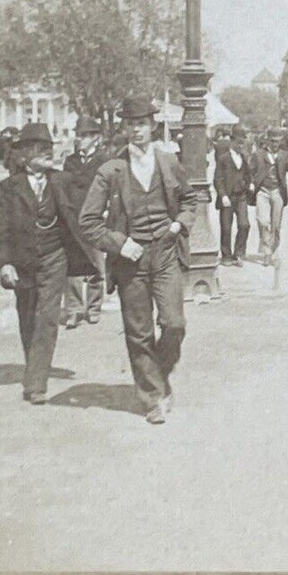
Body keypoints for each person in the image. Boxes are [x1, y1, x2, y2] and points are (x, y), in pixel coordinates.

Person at [79, 96, 199, 425]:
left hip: (165, 253)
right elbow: (88, 221)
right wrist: (119, 244)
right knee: (139, 332)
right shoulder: (111, 170)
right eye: (131, 125)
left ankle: (157, 375)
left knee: (174, 323)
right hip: (131, 261)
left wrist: (179, 223)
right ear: (124, 128)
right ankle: (152, 397)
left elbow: (191, 199)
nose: (137, 131)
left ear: (152, 126)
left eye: (142, 124)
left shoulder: (168, 161)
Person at [0, 123, 96, 404]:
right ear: (24, 154)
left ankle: (36, 384)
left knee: (47, 318)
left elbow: (88, 197)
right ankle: (35, 366)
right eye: (40, 148)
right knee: (28, 317)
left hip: (54, 257)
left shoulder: (62, 180)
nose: (48, 152)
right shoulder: (8, 188)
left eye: (49, 147)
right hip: (22, 262)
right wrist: (4, 264)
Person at [61, 116, 108, 327]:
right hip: (72, 218)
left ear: (95, 138)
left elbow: (109, 189)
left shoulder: (104, 160)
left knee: (96, 263)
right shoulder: (70, 161)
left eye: (84, 136)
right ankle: (73, 308)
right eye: (78, 135)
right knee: (71, 265)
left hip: (95, 218)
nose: (79, 139)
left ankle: (94, 307)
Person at [211, 127, 253, 267]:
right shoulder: (224, 158)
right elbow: (218, 179)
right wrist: (222, 195)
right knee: (226, 228)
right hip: (227, 197)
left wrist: (249, 184)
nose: (241, 146)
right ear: (232, 141)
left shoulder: (245, 157)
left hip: (241, 196)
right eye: (239, 143)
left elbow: (248, 174)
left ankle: (239, 253)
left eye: (243, 143)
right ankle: (226, 256)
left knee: (244, 225)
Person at [251, 127, 288, 263]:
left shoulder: (284, 154)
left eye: (278, 141)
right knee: (262, 221)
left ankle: (273, 251)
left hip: (277, 191)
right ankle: (266, 250)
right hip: (263, 191)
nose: (275, 144)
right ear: (268, 140)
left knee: (276, 224)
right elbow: (250, 171)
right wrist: (251, 182)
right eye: (272, 141)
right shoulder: (259, 154)